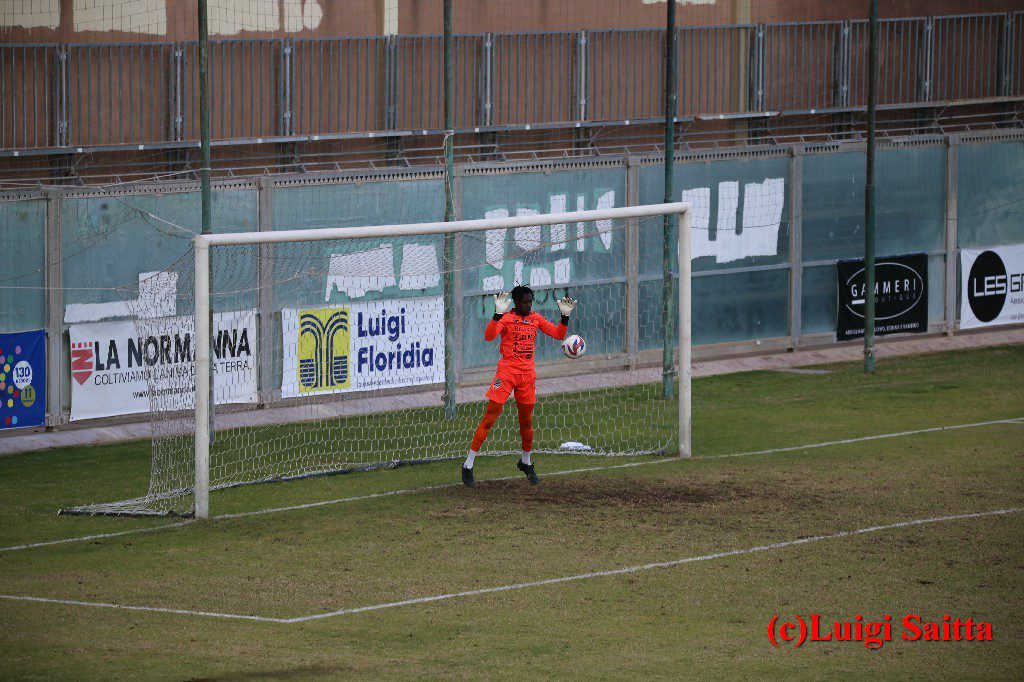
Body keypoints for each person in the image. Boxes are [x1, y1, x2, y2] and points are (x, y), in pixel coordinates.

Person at [462, 285, 577, 487]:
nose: (528, 305)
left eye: (530, 301)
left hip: (527, 376)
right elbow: (489, 336)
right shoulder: (506, 318)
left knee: (526, 422)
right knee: (490, 417)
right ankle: (468, 464)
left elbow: (559, 334)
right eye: (525, 301)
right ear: (515, 302)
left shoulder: (535, 319)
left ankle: (526, 461)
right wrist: (497, 314)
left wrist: (564, 317)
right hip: (506, 374)